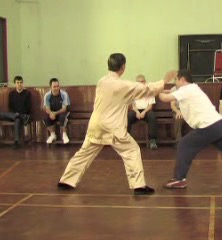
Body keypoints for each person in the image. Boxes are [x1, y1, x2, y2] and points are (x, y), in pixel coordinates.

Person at [57, 53, 176, 195]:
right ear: (123, 67)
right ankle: (138, 186)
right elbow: (146, 89)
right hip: (112, 127)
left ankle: (66, 180)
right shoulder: (123, 85)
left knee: (84, 153)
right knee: (131, 150)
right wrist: (164, 81)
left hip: (95, 125)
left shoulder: (102, 81)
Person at [127, 75, 158, 150]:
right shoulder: (133, 92)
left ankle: (152, 141)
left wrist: (144, 112)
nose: (141, 83)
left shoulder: (149, 91)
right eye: (139, 82)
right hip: (135, 110)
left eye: (142, 81)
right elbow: (132, 105)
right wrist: (137, 112)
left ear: (145, 82)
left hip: (146, 110)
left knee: (152, 116)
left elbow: (150, 106)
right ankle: (126, 141)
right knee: (128, 116)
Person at [0, 76, 31, 148]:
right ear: (15, 84)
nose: (19, 84)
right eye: (18, 83)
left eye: (21, 82)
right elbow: (10, 106)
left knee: (17, 119)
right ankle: (16, 116)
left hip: (23, 115)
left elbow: (28, 107)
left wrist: (19, 114)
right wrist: (14, 113)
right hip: (12, 115)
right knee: (5, 114)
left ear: (22, 83)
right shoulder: (11, 94)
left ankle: (16, 141)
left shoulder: (27, 93)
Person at [43, 78, 70, 144]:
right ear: (50, 87)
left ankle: (64, 134)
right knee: (45, 118)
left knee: (62, 117)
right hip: (52, 112)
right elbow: (47, 108)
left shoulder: (64, 94)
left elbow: (64, 108)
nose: (56, 88)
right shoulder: (47, 95)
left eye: (57, 86)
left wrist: (55, 113)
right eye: (54, 87)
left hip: (63, 112)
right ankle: (52, 135)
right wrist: (51, 113)